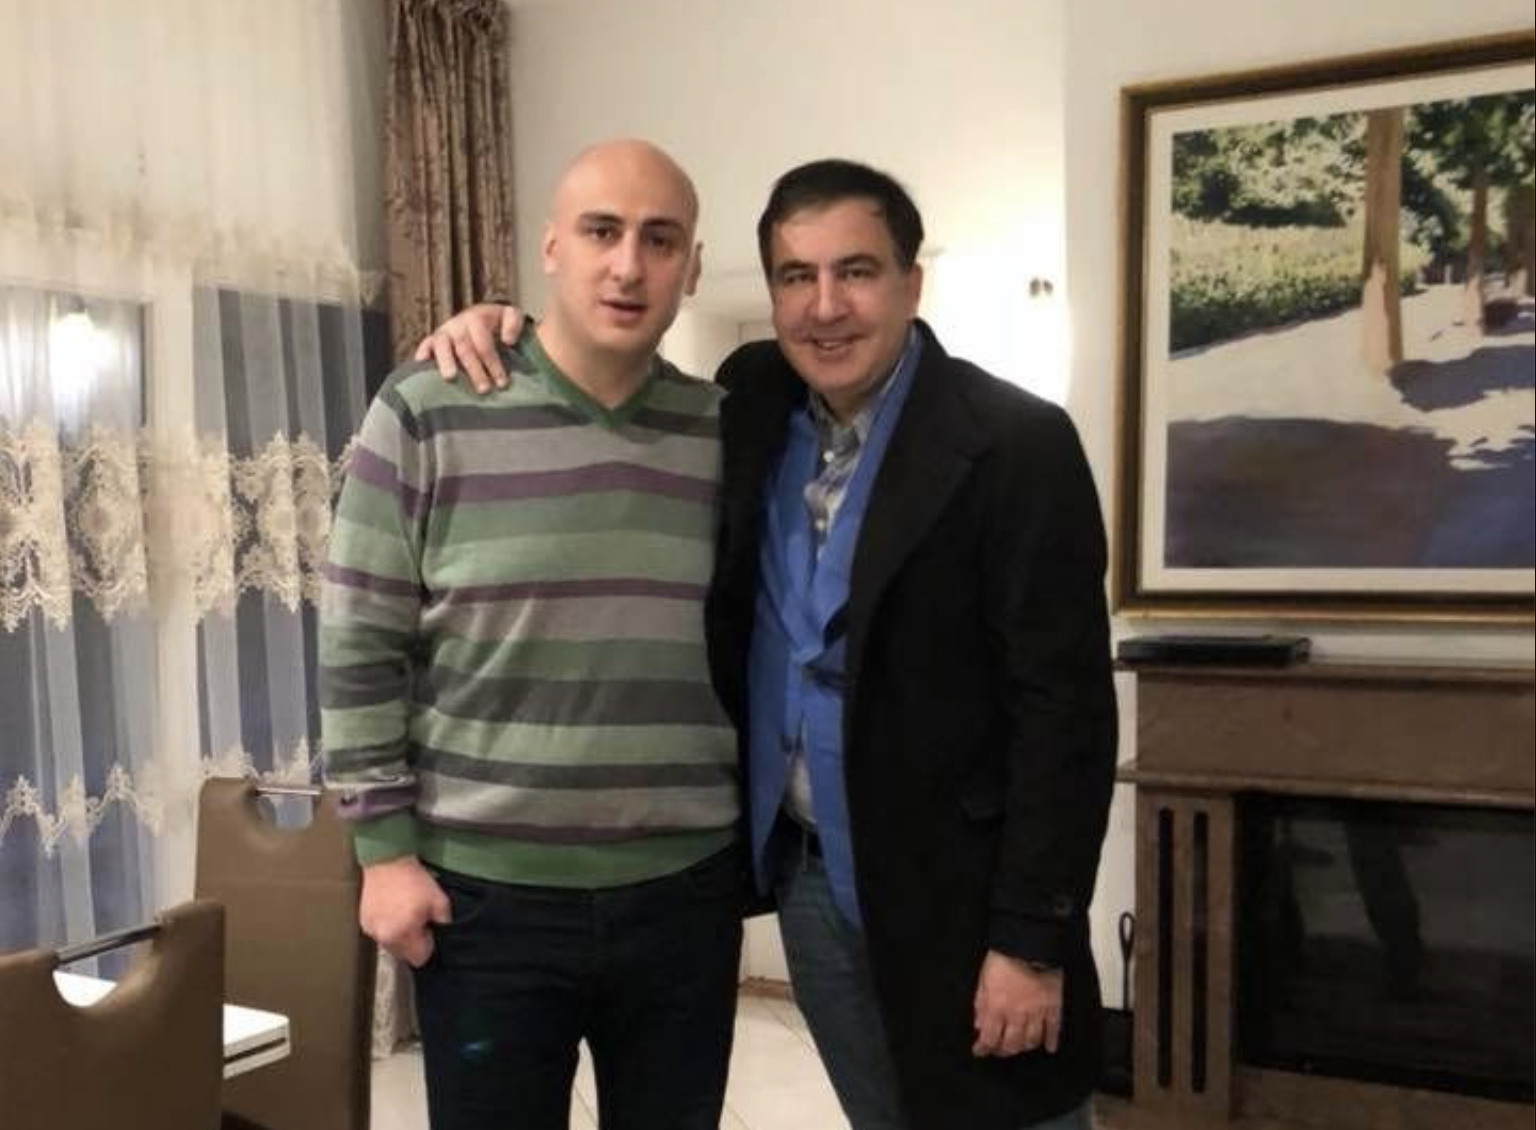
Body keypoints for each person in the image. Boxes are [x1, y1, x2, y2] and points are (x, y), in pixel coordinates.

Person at [423, 158, 1118, 1130]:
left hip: (960, 895)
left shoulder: (1016, 443)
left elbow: (1066, 714)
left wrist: (1031, 940)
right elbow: (602, 368)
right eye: (797, 276)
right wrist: (499, 324)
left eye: (857, 271)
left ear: (912, 283)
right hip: (811, 880)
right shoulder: (750, 402)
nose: (825, 306)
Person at [320, 139, 746, 1130]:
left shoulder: (730, 433)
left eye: (660, 240)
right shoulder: (427, 409)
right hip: (485, 899)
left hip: (684, 894)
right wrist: (383, 853)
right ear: (551, 248)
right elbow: (359, 642)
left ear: (691, 265)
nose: (628, 265)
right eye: (602, 231)